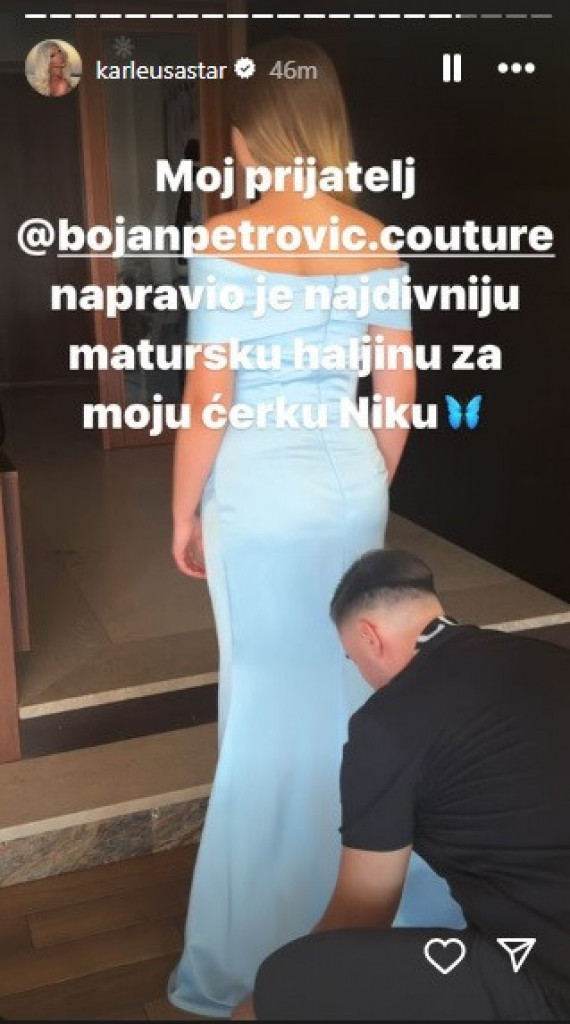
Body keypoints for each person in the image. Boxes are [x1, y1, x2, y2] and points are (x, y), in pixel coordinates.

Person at [168, 37, 462, 1019]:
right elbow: (398, 390)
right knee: (354, 691)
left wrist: (182, 509)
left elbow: (209, 397)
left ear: (250, 139)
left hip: (255, 490)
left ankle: (259, 940)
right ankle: (374, 911)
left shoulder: (224, 239)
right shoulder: (374, 238)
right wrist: (363, 482)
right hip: (347, 486)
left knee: (262, 698)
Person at [245, 549, 570, 1021]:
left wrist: (302, 981)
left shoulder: (385, 726)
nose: (361, 674)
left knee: (280, 985)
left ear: (368, 636)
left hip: (547, 974)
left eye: (352, 659)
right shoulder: (545, 656)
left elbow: (363, 912)